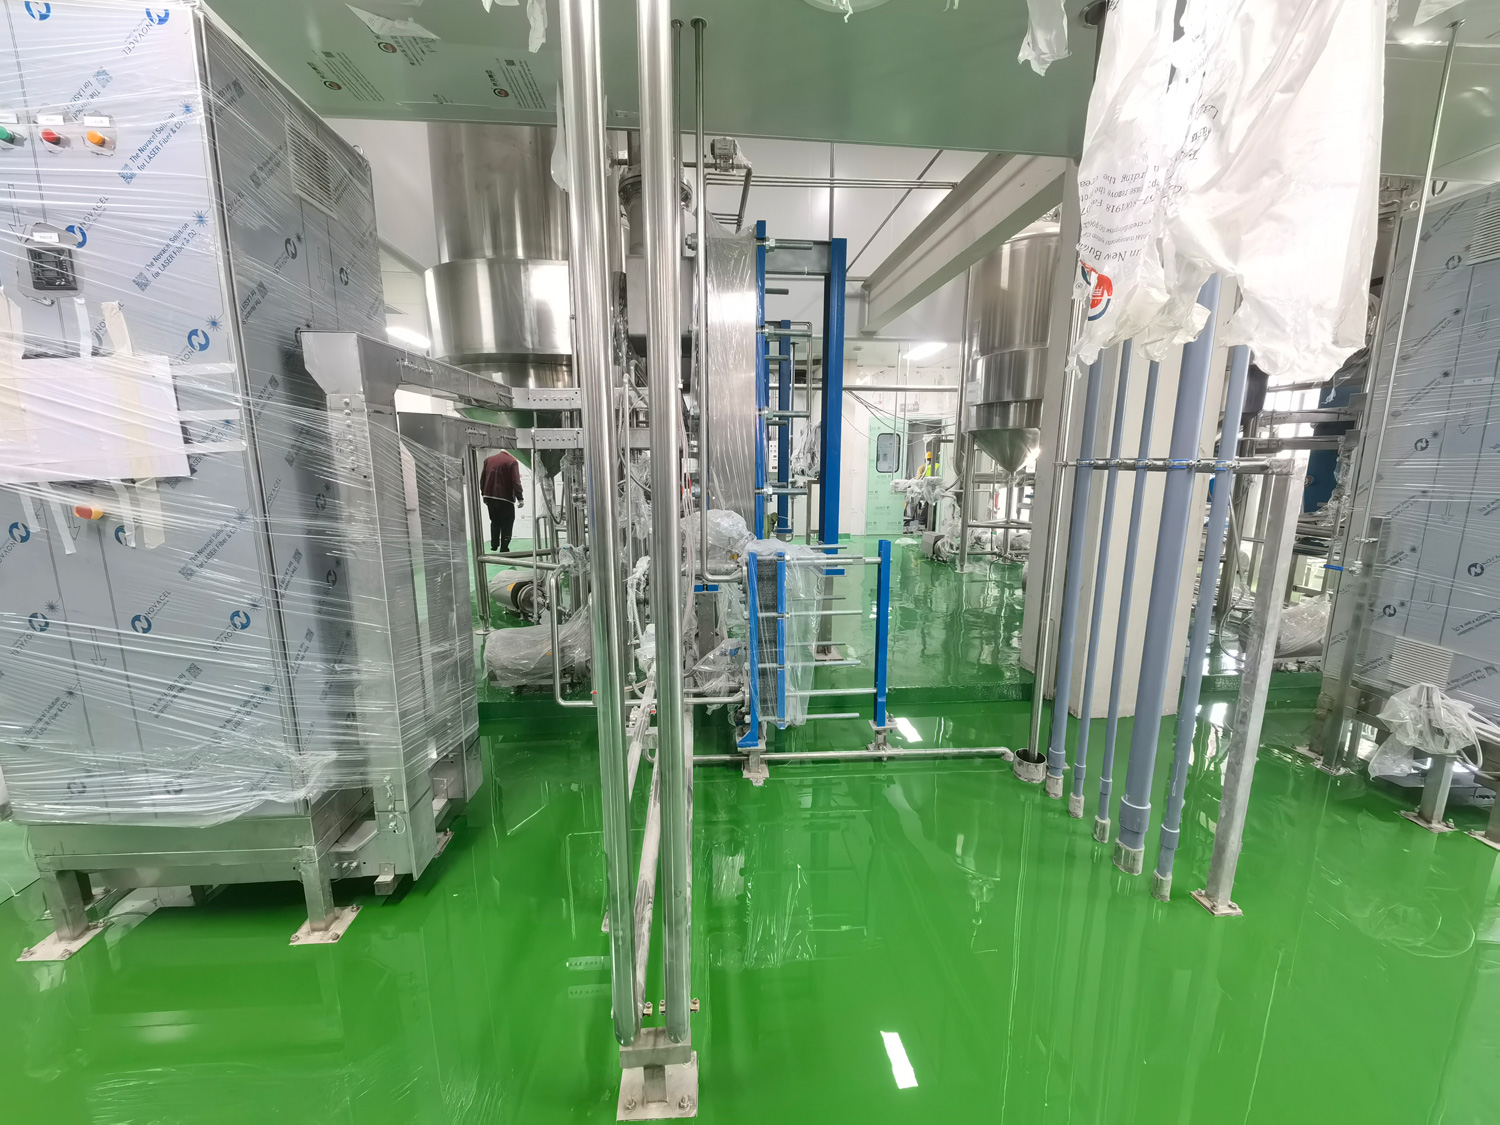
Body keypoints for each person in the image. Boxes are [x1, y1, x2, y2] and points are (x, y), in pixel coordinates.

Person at [481, 449, 524, 552]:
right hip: (505, 498)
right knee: (507, 523)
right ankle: (504, 547)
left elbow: (483, 478)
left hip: (490, 497)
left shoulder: (488, 460)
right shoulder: (512, 462)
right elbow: (516, 481)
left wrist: (484, 493)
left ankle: (494, 545)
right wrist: (520, 498)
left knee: (494, 521)